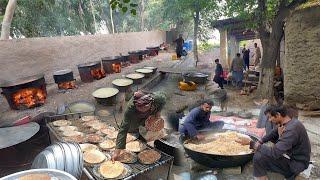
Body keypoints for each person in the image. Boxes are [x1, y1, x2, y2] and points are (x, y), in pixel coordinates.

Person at [237, 105, 311, 180]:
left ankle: (264, 177)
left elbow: (274, 153)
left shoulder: (291, 130)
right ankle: (262, 176)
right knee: (260, 153)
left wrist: (252, 143)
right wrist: (260, 141)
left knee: (258, 156)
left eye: (270, 117)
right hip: (291, 156)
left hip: (296, 164)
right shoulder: (288, 121)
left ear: (278, 115)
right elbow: (272, 133)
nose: (269, 120)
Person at [112, 91, 166, 161]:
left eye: (144, 108)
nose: (142, 110)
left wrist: (158, 112)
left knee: (148, 127)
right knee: (132, 128)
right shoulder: (130, 108)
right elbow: (123, 128)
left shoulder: (157, 98)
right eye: (139, 108)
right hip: (135, 116)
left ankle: (142, 145)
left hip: (150, 112)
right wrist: (117, 151)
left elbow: (163, 100)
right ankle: (134, 143)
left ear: (150, 104)